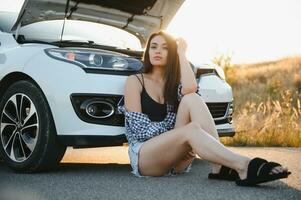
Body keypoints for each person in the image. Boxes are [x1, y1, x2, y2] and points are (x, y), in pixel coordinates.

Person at [118, 31, 291, 186]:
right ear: (147, 51)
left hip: (174, 158)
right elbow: (139, 131)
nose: (157, 51)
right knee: (192, 129)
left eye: (165, 48)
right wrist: (183, 136)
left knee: (192, 98)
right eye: (153, 47)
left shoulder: (173, 84)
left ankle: (219, 167)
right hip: (146, 158)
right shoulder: (135, 81)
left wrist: (181, 53)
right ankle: (244, 165)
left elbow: (191, 89)